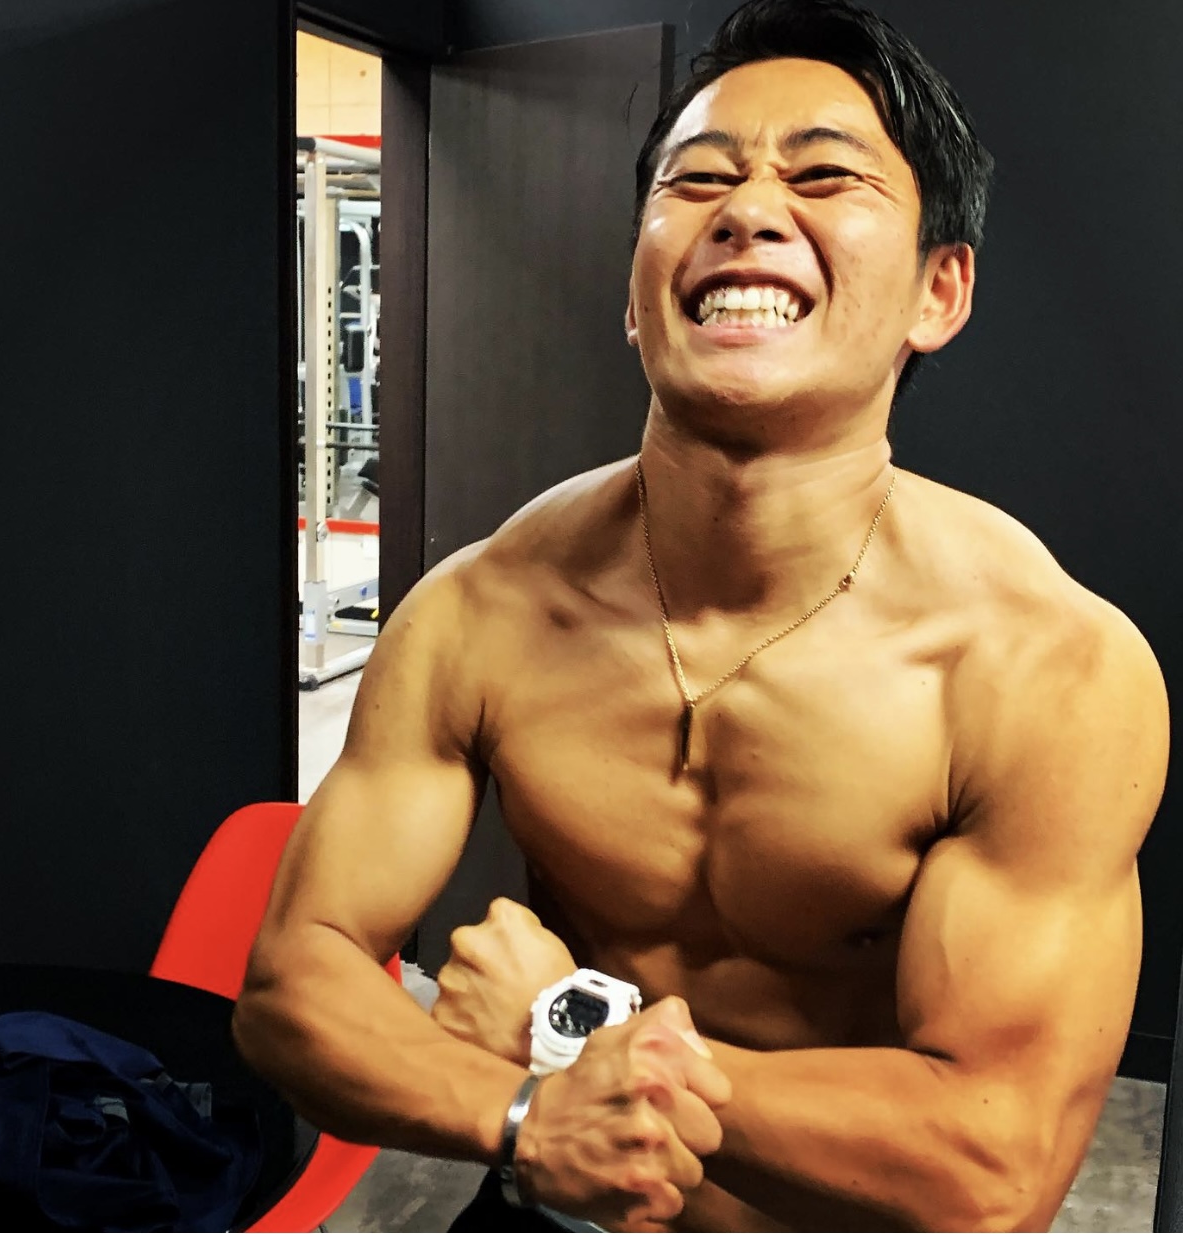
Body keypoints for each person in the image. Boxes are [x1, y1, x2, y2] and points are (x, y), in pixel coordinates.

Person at [232, 1, 1171, 1229]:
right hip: (556, 1199)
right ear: (637, 291)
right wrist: (524, 1117)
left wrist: (572, 1031)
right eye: (699, 180)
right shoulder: (480, 609)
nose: (748, 210)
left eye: (823, 176)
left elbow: (995, 1164)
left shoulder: (1046, 669)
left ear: (939, 291)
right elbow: (290, 987)